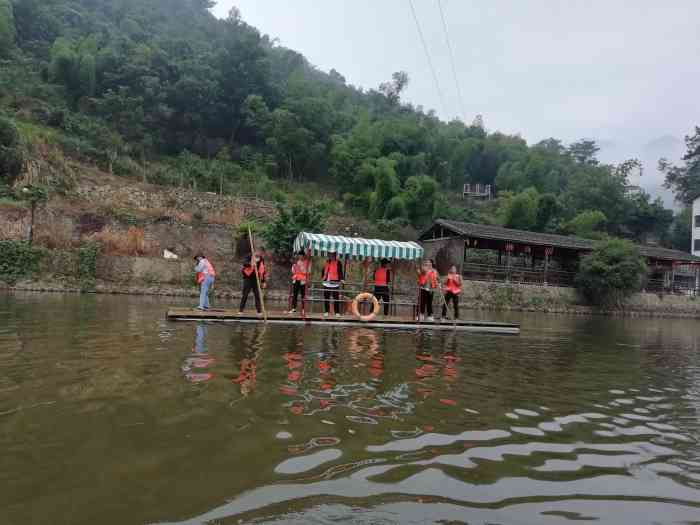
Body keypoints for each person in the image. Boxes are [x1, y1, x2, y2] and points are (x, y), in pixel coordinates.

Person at [321, 251, 344, 317]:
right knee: (326, 297)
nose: (331, 256)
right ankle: (326, 311)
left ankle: (337, 312)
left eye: (332, 255)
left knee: (336, 297)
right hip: (326, 281)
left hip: (335, 281)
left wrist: (342, 279)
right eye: (330, 255)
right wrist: (322, 277)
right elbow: (323, 270)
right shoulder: (327, 262)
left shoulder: (338, 262)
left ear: (335, 255)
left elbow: (340, 271)